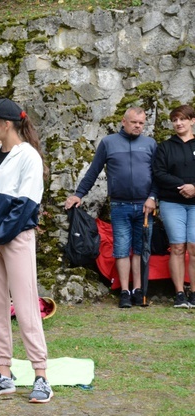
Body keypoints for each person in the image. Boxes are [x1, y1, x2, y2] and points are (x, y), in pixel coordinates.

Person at [0, 98, 52, 404]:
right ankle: (3, 372)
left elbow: (25, 206)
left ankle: (41, 375)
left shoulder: (28, 157)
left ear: (6, 125)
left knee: (27, 305)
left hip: (14, 240)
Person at [65, 107, 157, 308]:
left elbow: (157, 175)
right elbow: (93, 171)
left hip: (145, 207)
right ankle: (124, 291)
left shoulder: (150, 144)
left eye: (141, 123)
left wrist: (153, 197)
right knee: (122, 248)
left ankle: (138, 290)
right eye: (134, 122)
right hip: (119, 205)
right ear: (124, 122)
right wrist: (78, 194)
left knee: (140, 249)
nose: (138, 126)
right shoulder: (109, 142)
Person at [152, 104, 195, 308]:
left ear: (192, 121)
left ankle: (194, 293)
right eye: (175, 120)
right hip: (172, 203)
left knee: (194, 248)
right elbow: (159, 173)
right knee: (177, 247)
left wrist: (194, 187)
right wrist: (183, 186)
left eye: (182, 119)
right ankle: (179, 294)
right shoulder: (165, 147)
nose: (178, 123)